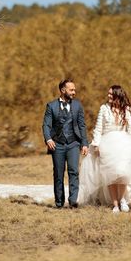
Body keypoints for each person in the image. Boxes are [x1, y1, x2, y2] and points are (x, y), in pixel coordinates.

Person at [42, 79, 89, 208]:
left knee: (74, 171)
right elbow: (46, 125)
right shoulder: (51, 106)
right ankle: (59, 202)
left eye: (74, 89)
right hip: (57, 144)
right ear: (63, 90)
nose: (74, 92)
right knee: (58, 173)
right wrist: (48, 139)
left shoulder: (77, 105)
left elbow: (82, 125)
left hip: (73, 143)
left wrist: (84, 143)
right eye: (71, 90)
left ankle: (73, 200)